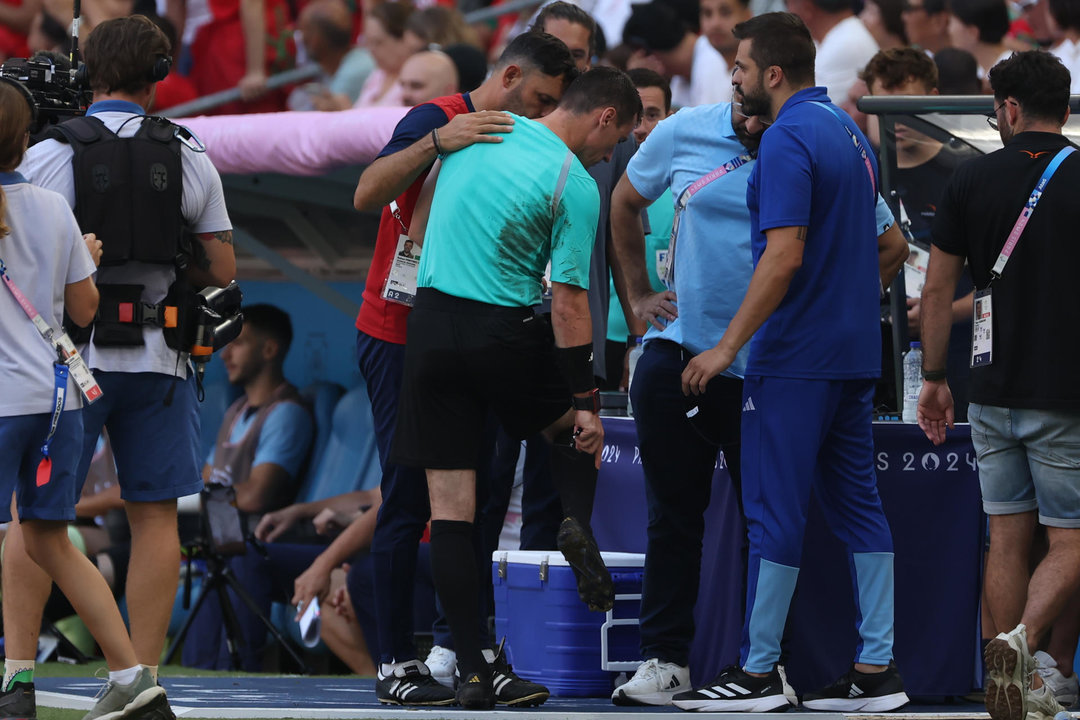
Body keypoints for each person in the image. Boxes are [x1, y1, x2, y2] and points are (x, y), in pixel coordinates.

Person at [671, 13, 909, 712]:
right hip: (853, 353)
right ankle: (877, 670)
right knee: (860, 508)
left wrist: (724, 346)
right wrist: (846, 298)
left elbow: (784, 255)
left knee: (774, 511)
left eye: (741, 67)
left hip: (795, 358)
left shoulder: (785, 138)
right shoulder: (847, 133)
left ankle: (758, 672)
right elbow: (887, 245)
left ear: (773, 74)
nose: (735, 77)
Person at [391, 66, 642, 710]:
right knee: (576, 433)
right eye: (613, 146)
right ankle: (573, 519)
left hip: (428, 331)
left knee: (448, 511)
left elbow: (414, 228)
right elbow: (567, 304)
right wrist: (583, 397)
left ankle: (472, 670)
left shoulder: (479, 133)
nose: (607, 157)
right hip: (501, 332)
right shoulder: (575, 182)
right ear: (604, 117)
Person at [4, 16, 234, 715]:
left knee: (33, 520)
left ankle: (17, 671)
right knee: (155, 516)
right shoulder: (188, 151)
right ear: (159, 76)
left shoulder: (49, 155)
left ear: (89, 73)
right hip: (161, 357)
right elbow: (221, 266)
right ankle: (141, 675)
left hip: (66, 363)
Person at [350, 30, 577, 707]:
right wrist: (435, 143)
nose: (541, 114)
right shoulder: (436, 117)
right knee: (409, 495)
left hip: (472, 335)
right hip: (398, 333)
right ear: (509, 76)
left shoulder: (528, 142)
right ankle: (395, 662)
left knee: (474, 501)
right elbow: (366, 192)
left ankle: (474, 656)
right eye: (538, 98)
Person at [0, 79, 172, 720]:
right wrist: (84, 261)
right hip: (55, 401)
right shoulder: (51, 208)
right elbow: (84, 309)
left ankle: (19, 683)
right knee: (52, 541)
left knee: (37, 540)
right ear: (24, 141)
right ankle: (133, 677)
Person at [918, 49, 1080, 720]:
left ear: (1009, 110)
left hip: (987, 390)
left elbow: (935, 289)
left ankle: (1005, 668)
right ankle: (1023, 647)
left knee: (1007, 537)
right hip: (1068, 394)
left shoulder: (968, 178)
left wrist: (933, 378)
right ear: (1063, 106)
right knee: (1071, 539)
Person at [861, 47, 976, 420]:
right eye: (884, 107)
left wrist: (943, 312)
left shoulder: (970, 172)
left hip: (960, 353)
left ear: (934, 99)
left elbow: (1004, 276)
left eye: (906, 104)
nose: (897, 119)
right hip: (876, 357)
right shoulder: (860, 173)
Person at [204, 304, 313, 515]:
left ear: (269, 350)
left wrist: (191, 499)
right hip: (216, 529)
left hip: (250, 538)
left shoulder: (287, 413)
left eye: (237, 343)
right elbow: (205, 480)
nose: (225, 356)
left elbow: (254, 498)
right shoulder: (236, 410)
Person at [604, 67, 673, 389]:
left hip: (664, 341)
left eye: (651, 115)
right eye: (633, 117)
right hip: (604, 338)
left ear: (670, 118)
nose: (640, 129)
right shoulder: (598, 182)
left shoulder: (686, 193)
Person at [786, 0, 880, 102]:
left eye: (787, 3)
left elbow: (812, 111)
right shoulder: (837, 36)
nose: (787, 11)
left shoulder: (845, 43)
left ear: (805, 6)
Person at [290, 0, 374, 112]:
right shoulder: (351, 63)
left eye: (303, 32)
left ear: (315, 40)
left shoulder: (352, 72)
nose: (300, 39)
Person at [354, 1, 417, 108]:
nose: (371, 50)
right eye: (369, 42)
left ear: (405, 39)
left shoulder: (416, 81)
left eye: (378, 42)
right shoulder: (377, 74)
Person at [947, 0, 1013, 84]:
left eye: (950, 23)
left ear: (972, 32)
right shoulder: (975, 70)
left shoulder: (1013, 71)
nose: (948, 31)